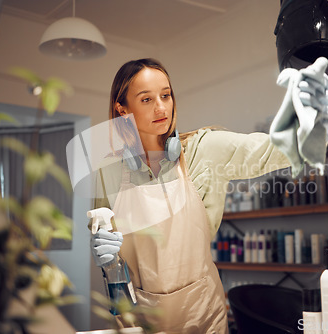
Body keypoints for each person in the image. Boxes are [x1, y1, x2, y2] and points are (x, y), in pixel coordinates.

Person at [89, 58, 290, 334]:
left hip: (203, 314)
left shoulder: (201, 152)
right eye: (146, 99)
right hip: (142, 320)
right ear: (122, 109)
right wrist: (104, 252)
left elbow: (271, 150)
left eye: (166, 95)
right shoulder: (107, 172)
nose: (161, 107)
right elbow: (109, 254)